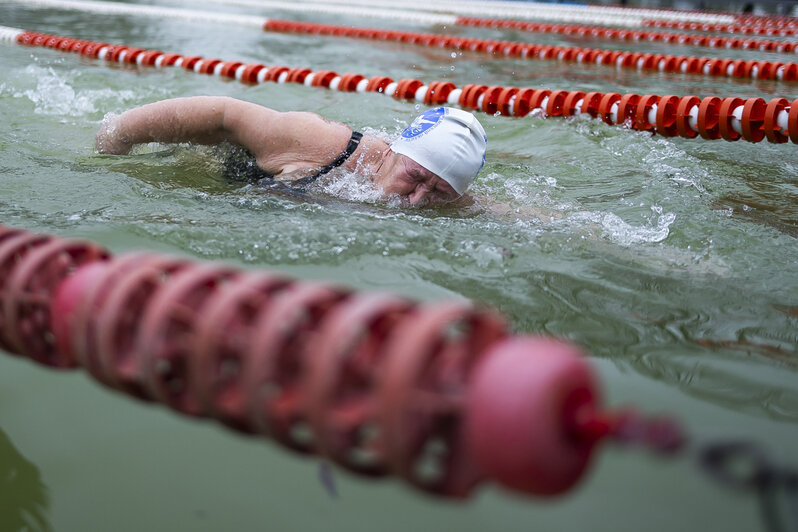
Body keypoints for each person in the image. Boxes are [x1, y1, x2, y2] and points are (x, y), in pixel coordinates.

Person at [95, 96, 487, 207]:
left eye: (437, 192)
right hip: (215, 169)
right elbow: (223, 114)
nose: (418, 199)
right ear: (394, 152)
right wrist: (118, 136)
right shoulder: (317, 141)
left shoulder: (452, 202)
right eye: (415, 178)